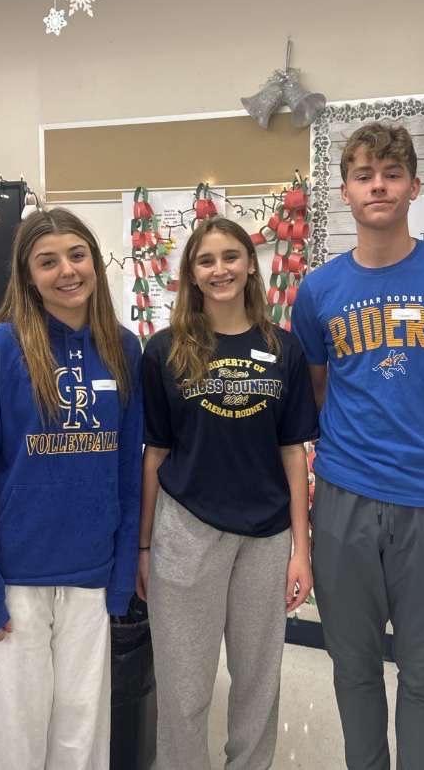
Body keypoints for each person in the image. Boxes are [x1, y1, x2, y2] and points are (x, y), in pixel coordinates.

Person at [292, 122, 424, 770]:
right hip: (343, 503)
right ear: (345, 191)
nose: (378, 186)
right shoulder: (319, 290)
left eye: (391, 174)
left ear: (415, 185)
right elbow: (317, 392)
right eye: (364, 175)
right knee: (353, 667)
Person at [0, 207, 143, 770]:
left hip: (90, 579)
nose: (67, 271)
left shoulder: (123, 349)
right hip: (13, 584)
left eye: (77, 255)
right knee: (14, 743)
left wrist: (121, 577)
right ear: (28, 275)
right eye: (48, 261)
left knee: (82, 741)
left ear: (95, 263)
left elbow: (128, 472)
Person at [137, 216, 318, 770]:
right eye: (206, 260)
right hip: (186, 528)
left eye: (231, 257)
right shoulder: (165, 351)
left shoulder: (284, 349)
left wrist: (302, 550)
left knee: (258, 680)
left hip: (266, 535)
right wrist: (143, 547)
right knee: (183, 683)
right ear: (191, 274)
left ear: (250, 266)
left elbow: (293, 454)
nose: (220, 270)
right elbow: (155, 453)